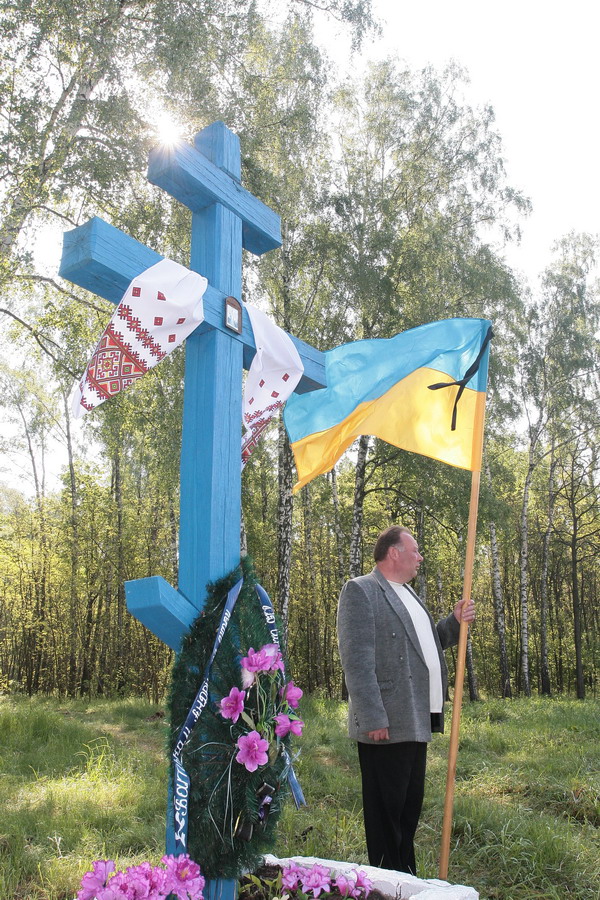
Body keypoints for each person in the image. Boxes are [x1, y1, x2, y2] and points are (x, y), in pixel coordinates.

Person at [336, 525, 475, 876]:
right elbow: (356, 660)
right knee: (385, 813)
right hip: (386, 719)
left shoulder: (408, 593)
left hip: (415, 716)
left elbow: (427, 643)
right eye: (415, 551)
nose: (420, 557)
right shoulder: (361, 590)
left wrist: (454, 622)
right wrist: (372, 717)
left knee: (408, 807)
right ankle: (386, 881)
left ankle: (405, 878)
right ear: (394, 553)